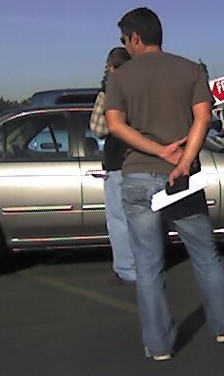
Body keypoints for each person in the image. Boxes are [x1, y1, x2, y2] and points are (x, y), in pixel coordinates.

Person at [105, 7, 224, 361]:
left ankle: (159, 345)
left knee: (148, 266)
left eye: (125, 38)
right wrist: (182, 161)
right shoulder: (191, 70)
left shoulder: (120, 77)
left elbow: (115, 125)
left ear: (135, 38)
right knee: (205, 256)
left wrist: (157, 150)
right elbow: (203, 118)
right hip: (182, 180)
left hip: (137, 175)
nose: (125, 44)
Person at [89, 47, 135, 283]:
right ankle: (147, 264)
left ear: (113, 68)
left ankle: (128, 269)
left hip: (117, 164)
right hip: (140, 162)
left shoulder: (108, 93)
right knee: (142, 219)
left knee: (119, 220)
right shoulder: (141, 90)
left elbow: (97, 128)